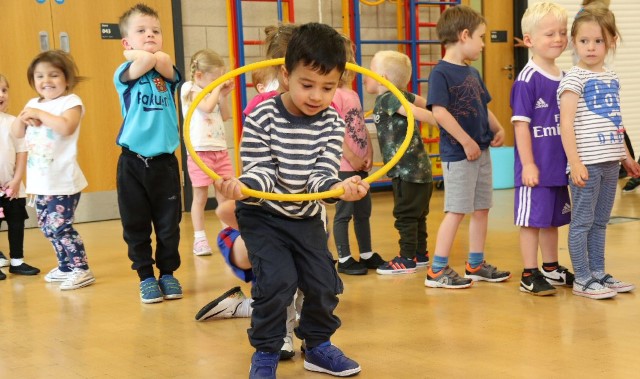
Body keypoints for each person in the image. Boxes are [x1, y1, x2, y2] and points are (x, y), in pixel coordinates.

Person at [214, 22, 364, 378]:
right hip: (263, 214)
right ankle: (266, 351)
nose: (316, 96)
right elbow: (260, 168)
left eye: (328, 88)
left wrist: (340, 188)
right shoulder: (262, 115)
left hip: (306, 214)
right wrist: (244, 185)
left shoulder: (331, 121)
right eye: (307, 85)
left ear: (340, 83)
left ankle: (317, 346)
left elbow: (322, 173)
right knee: (277, 282)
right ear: (286, 74)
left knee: (324, 283)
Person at [195, 23, 301, 361]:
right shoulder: (263, 106)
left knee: (311, 264)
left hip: (298, 208)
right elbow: (228, 210)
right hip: (255, 223)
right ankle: (271, 324)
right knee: (279, 267)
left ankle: (253, 306)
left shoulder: (314, 106)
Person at [558, 3, 640, 299]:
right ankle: (581, 278)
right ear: (574, 42)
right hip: (586, 164)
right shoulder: (573, 79)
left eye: (598, 41)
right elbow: (565, 124)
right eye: (584, 41)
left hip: (609, 163)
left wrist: (626, 157)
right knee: (581, 222)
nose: (591, 48)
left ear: (610, 43)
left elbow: (615, 122)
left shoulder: (611, 78)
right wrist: (575, 162)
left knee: (601, 221)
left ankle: (598, 272)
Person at [426, 5, 511, 289]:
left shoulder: (472, 73)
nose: (484, 44)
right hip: (459, 155)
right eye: (481, 37)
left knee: (482, 208)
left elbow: (482, 106)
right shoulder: (441, 73)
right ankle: (437, 270)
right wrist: (465, 140)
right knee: (457, 210)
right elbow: (439, 112)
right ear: (464, 35)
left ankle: (475, 263)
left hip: (481, 152)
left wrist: (497, 127)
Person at [114, 3, 183, 304]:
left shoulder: (166, 69)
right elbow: (141, 63)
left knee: (169, 225)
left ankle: (167, 272)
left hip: (165, 163)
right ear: (126, 43)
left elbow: (163, 62)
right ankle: (145, 276)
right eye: (141, 31)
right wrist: (133, 53)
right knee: (136, 224)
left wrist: (143, 49)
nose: (150, 35)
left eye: (155, 31)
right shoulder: (125, 71)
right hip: (132, 163)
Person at [10, 51, 94, 290]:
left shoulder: (71, 102)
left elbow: (66, 127)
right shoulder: (32, 104)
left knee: (61, 227)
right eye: (39, 76)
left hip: (62, 180)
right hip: (40, 182)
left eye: (53, 75)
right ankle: (65, 267)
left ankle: (81, 269)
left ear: (66, 79)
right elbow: (17, 133)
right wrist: (24, 116)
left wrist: (39, 114)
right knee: (48, 228)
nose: (46, 80)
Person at [510, 2, 575, 296]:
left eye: (562, 32)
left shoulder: (565, 76)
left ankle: (550, 266)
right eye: (550, 34)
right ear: (529, 40)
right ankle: (529, 272)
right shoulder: (527, 79)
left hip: (557, 167)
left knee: (552, 220)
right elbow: (521, 125)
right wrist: (529, 164)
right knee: (532, 221)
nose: (559, 38)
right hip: (534, 169)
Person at [364, 50, 435, 275]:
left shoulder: (388, 98)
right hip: (420, 170)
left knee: (405, 215)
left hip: (407, 171)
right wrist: (438, 109)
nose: (365, 75)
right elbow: (425, 102)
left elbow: (415, 111)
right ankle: (420, 254)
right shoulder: (401, 94)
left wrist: (440, 120)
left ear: (383, 78)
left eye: (371, 71)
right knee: (417, 215)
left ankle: (406, 258)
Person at [333, 37, 383, 275]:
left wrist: (369, 150)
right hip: (344, 164)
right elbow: (334, 129)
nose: (354, 62)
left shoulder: (351, 93)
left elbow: (360, 124)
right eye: (349, 58)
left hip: (360, 163)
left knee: (363, 211)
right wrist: (351, 156)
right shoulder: (334, 94)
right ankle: (343, 258)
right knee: (344, 213)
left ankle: (366, 253)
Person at [181, 48, 234, 256]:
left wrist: (224, 96)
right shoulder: (190, 88)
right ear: (199, 75)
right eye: (215, 78)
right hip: (199, 152)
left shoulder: (212, 92)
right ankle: (200, 238)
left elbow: (227, 115)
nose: (218, 82)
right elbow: (205, 107)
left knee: (225, 195)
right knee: (200, 197)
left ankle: (227, 234)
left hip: (220, 150)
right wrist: (217, 89)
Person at [0, 74, 40, 281]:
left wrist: (16, 180)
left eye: (4, 90)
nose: (1, 94)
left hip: (12, 187)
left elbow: (22, 152)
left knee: (16, 222)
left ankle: (17, 261)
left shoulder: (12, 122)